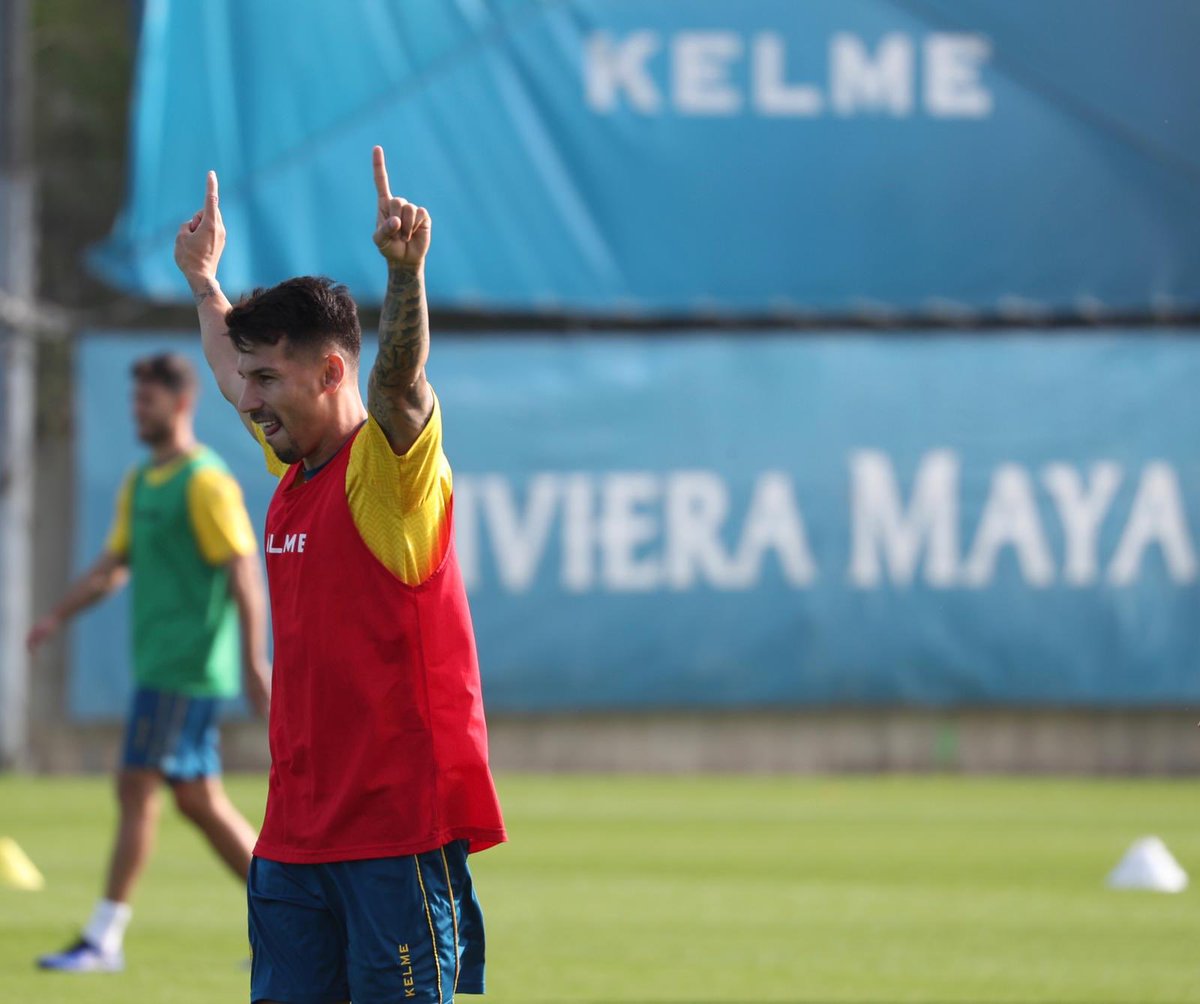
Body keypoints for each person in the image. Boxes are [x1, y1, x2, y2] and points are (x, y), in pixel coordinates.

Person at [173, 148, 506, 1004]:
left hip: (393, 840)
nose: (247, 398)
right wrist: (206, 282)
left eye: (268, 379)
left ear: (330, 374)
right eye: (248, 379)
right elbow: (222, 360)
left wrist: (406, 276)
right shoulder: (296, 462)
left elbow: (400, 383)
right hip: (292, 841)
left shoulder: (386, 474)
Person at [28, 352, 271, 973]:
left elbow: (243, 569)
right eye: (134, 400)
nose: (138, 411)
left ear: (182, 402)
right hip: (160, 667)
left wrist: (252, 663)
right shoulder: (145, 479)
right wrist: (59, 615)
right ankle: (292, 912)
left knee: (138, 786)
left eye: (148, 400)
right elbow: (115, 563)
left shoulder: (205, 480)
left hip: (185, 671)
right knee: (196, 799)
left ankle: (105, 936)